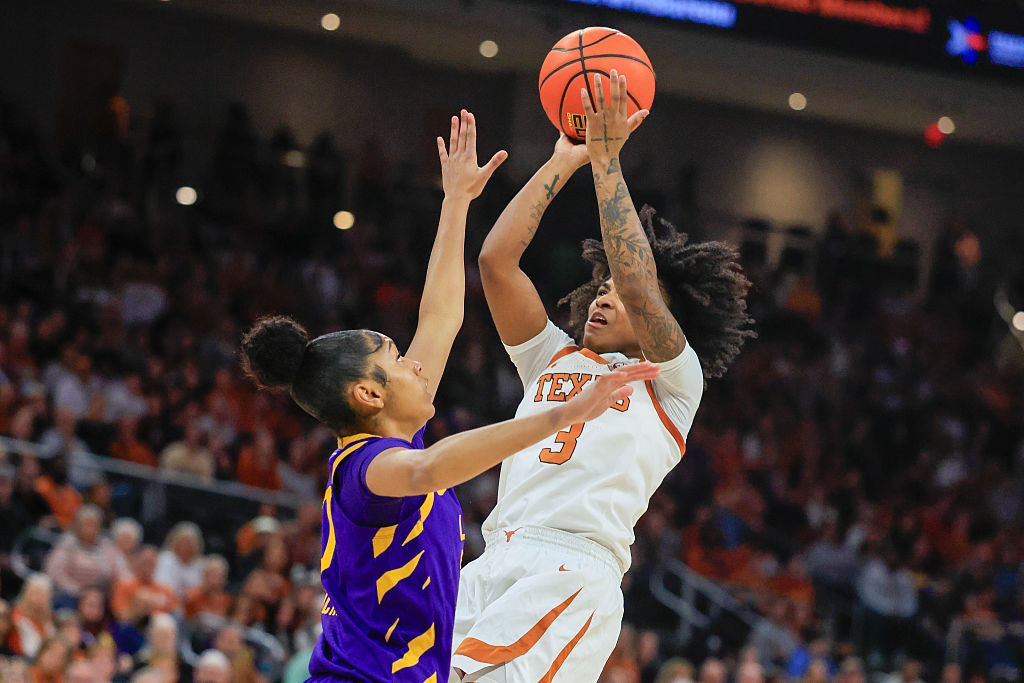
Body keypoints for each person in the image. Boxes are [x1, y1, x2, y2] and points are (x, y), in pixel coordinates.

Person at [239, 110, 658, 681]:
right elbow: (431, 467)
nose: (417, 363)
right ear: (368, 393)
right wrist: (565, 413)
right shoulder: (367, 470)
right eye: (397, 361)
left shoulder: (389, 438)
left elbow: (440, 315)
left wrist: (458, 200)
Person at [451, 72, 754, 681]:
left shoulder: (673, 383)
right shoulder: (551, 357)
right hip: (492, 556)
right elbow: (495, 262)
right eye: (602, 288)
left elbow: (641, 286)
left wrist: (607, 162)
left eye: (625, 294)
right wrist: (565, 159)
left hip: (571, 568)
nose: (608, 297)